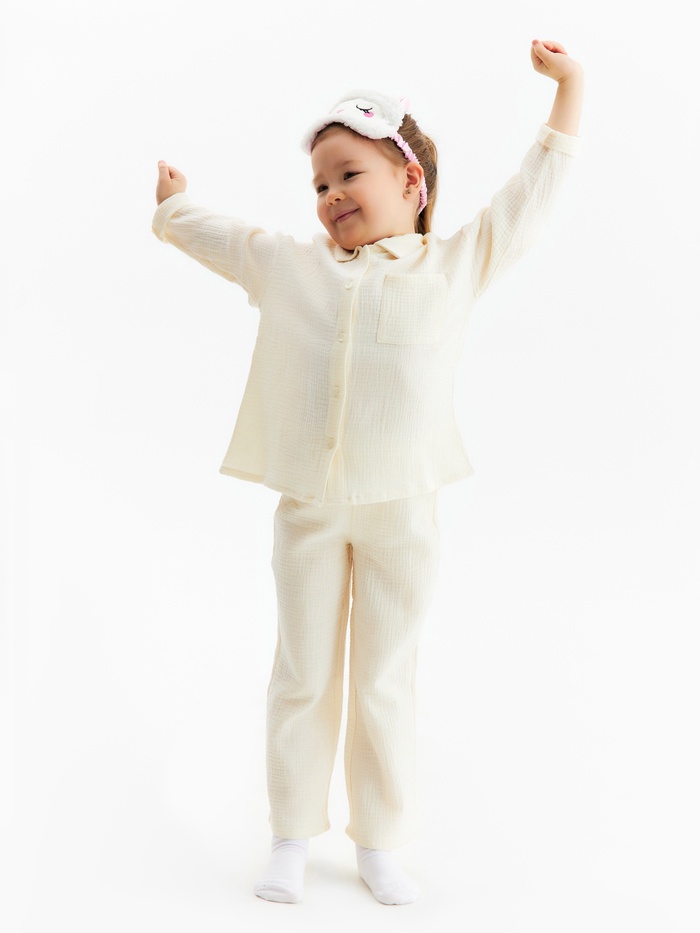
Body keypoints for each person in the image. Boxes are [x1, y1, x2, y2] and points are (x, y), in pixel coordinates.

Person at [152, 38, 584, 906]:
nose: (329, 196)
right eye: (318, 185)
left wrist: (568, 88)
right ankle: (290, 834)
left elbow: (531, 195)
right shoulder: (295, 266)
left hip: (403, 511)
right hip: (309, 508)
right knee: (302, 671)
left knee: (384, 676)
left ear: (411, 180)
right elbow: (229, 241)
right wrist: (173, 208)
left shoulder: (454, 265)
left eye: (348, 174)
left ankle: (381, 840)